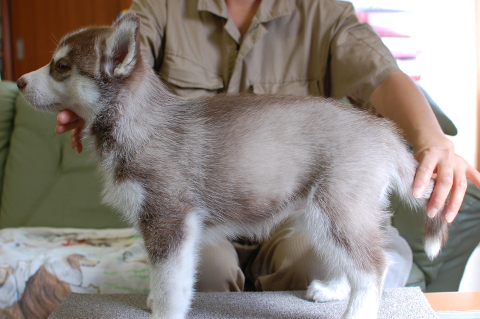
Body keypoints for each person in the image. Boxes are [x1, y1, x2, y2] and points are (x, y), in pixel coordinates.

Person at [56, 0, 480, 292]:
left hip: (291, 206)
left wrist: (431, 140)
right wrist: (91, 98)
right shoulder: (161, 8)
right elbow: (115, 64)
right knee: (203, 272)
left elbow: (382, 75)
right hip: (202, 207)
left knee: (313, 265)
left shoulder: (320, 11)